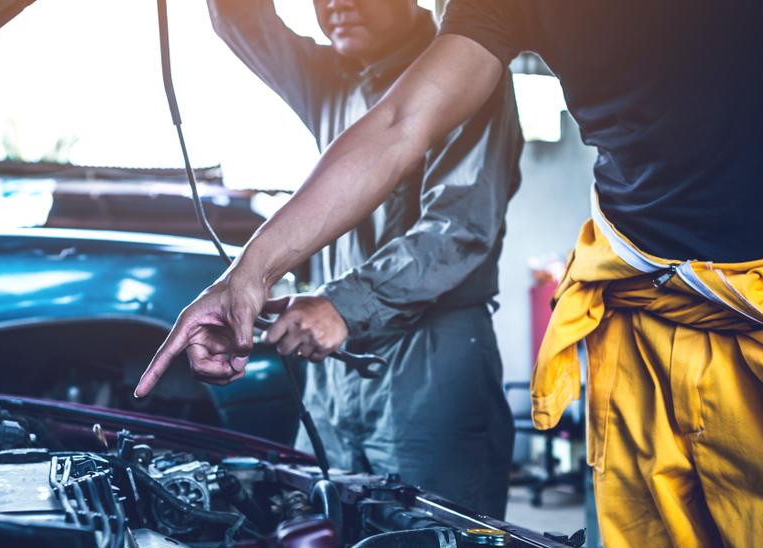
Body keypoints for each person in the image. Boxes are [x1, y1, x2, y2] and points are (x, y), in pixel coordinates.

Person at [137, 0, 763, 548]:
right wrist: (245, 275)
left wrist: (342, 305)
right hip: (641, 315)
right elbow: (400, 123)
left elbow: (457, 228)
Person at [200, 0, 523, 516]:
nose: (337, 4)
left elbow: (459, 228)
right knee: (321, 541)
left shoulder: (468, 65)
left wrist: (344, 306)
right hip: (330, 374)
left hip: (430, 370)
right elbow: (239, 18)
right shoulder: (329, 78)